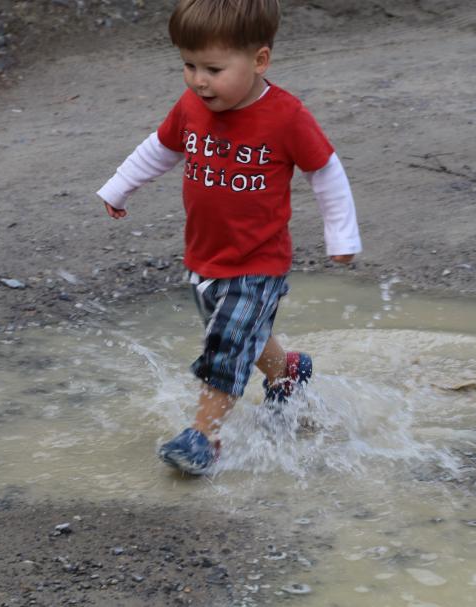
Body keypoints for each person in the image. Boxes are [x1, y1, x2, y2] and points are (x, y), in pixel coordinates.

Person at [96, 0, 361, 475]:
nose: (199, 80)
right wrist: (119, 187)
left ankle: (203, 437)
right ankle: (287, 372)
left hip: (258, 262)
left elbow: (325, 172)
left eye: (213, 70)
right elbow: (161, 148)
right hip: (204, 256)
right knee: (242, 338)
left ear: (259, 60)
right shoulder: (191, 107)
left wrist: (341, 236)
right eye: (189, 65)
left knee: (226, 345)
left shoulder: (285, 116)